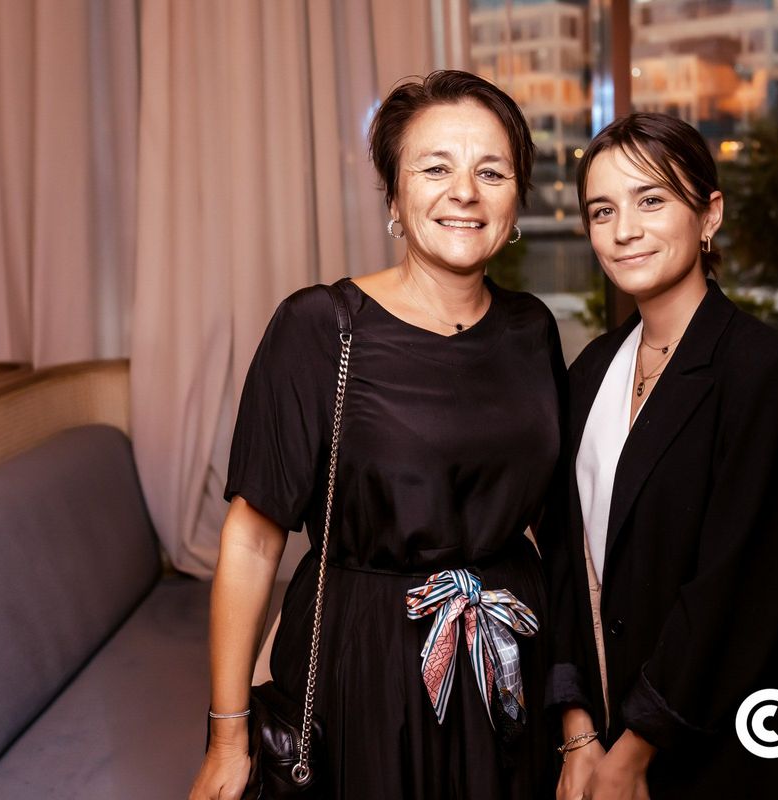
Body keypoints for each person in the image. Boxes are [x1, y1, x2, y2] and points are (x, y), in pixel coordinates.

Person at [189, 70, 565, 800]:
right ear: (394, 197)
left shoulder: (532, 330)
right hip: (366, 664)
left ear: (516, 198)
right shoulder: (321, 326)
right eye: (435, 169)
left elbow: (555, 523)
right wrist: (228, 734)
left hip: (513, 657)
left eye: (492, 172)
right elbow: (253, 539)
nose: (466, 192)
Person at [547, 113, 778, 799]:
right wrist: (579, 730)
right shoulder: (592, 369)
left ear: (710, 214)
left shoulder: (766, 372)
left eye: (651, 200)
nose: (624, 230)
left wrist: (635, 749)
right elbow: (562, 557)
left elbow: (740, 587)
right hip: (602, 725)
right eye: (602, 210)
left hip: (724, 747)